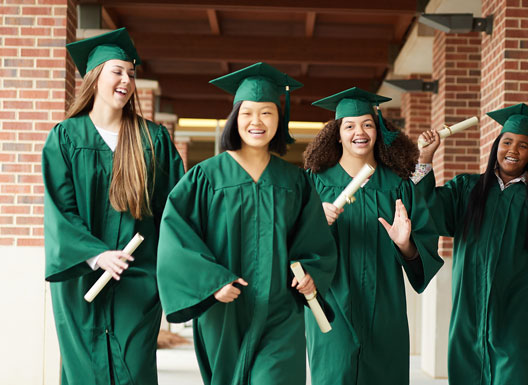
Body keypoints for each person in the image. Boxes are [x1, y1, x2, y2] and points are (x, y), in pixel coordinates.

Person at [156, 62, 337, 385]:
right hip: (224, 307)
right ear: (234, 119)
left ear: (279, 119)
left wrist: (311, 274)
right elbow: (177, 235)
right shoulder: (205, 177)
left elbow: (313, 240)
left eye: (267, 112)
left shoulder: (295, 181)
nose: (257, 121)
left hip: (280, 310)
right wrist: (212, 281)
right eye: (247, 113)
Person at [415, 103, 528, 385]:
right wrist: (426, 156)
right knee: (465, 361)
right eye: (507, 141)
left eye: (523, 145)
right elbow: (428, 209)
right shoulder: (468, 188)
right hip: (469, 299)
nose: (513, 150)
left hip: (517, 302)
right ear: (496, 146)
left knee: (512, 364)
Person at [43, 28, 185, 385]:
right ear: (95, 77)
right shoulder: (66, 138)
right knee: (84, 372)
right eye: (117, 71)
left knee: (133, 371)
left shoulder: (153, 140)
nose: (126, 80)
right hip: (82, 280)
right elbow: (60, 209)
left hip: (137, 280)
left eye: (131, 73)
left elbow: (177, 209)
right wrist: (95, 254)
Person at [302, 87, 443, 385]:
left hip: (385, 304)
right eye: (349, 125)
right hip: (331, 304)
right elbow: (291, 243)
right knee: (335, 374)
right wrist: (315, 224)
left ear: (378, 130)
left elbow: (425, 240)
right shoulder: (314, 184)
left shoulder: (398, 186)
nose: (359, 132)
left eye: (367, 124)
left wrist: (406, 245)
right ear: (336, 134)